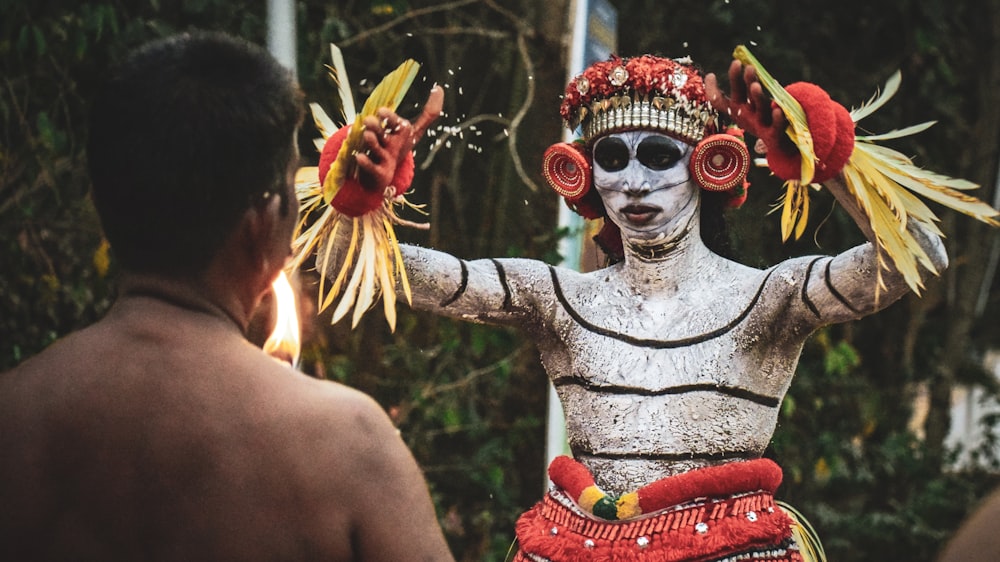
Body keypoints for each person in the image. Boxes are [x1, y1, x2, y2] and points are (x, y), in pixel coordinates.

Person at [316, 53, 959, 561]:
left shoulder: (768, 298)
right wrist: (357, 196)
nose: (633, 182)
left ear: (708, 163)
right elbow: (364, 268)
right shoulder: (558, 299)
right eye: (611, 158)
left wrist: (829, 157)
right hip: (574, 548)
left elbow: (919, 259)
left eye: (657, 155)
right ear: (584, 172)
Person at [0, 31, 454, 562]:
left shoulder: (15, 417)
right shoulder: (346, 445)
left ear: (99, 201)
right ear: (265, 217)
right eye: (292, 181)